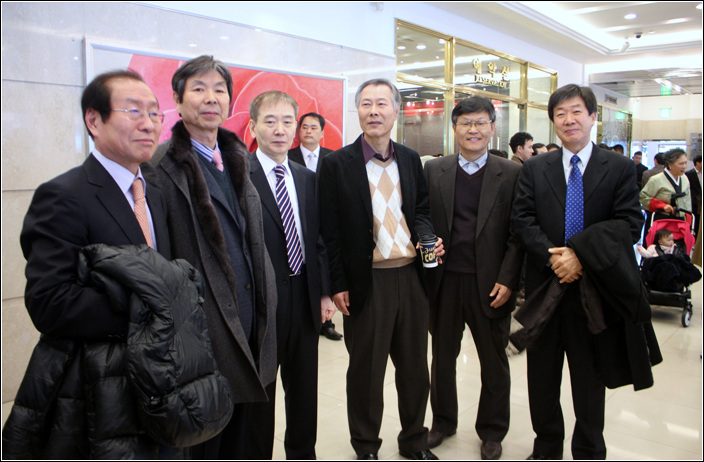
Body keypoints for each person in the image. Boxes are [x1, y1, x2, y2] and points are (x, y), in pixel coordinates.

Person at [15, 70, 176, 458]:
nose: (148, 124)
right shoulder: (64, 195)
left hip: (154, 381)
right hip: (95, 390)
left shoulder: (154, 193)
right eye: (133, 111)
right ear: (93, 120)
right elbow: (50, 302)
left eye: (154, 113)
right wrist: (149, 312)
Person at [143, 55, 278, 460]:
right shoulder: (160, 168)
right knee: (207, 438)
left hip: (251, 322)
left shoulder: (239, 160)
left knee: (246, 437)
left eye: (219, 90)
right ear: (177, 100)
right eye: (199, 89)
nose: (211, 98)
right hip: (204, 335)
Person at [511, 84, 654, 460]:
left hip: (595, 291)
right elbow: (522, 220)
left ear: (593, 116)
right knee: (541, 378)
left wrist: (580, 256)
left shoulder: (619, 168)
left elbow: (629, 223)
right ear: (553, 121)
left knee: (590, 379)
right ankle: (546, 448)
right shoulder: (535, 168)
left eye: (576, 111)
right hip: (545, 289)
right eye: (560, 113)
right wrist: (556, 258)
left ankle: (589, 449)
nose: (568, 119)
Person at [318, 78, 444, 461]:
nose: (374, 111)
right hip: (366, 281)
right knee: (366, 373)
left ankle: (413, 441)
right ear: (357, 110)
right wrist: (336, 283)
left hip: (411, 277)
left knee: (415, 371)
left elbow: (420, 210)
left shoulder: (410, 158)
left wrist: (428, 238)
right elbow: (328, 231)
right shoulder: (337, 164)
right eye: (366, 104)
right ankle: (366, 446)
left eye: (382, 104)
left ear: (396, 110)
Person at [424, 96, 523, 460]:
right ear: (454, 128)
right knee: (442, 358)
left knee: (494, 362)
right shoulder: (435, 170)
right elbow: (422, 217)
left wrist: (509, 279)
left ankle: (493, 431)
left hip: (492, 285)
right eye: (465, 123)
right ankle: (442, 422)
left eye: (481, 123)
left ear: (493, 128)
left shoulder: (511, 173)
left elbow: (518, 234)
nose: (473, 130)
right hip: (445, 282)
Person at [246, 91, 335, 459]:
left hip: (303, 299)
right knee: (260, 395)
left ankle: (302, 453)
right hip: (261, 303)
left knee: (303, 391)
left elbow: (317, 240)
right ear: (253, 127)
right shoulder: (239, 177)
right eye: (270, 121)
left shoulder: (306, 178)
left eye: (287, 122)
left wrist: (325, 292)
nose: (280, 130)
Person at [288, 111, 343, 341]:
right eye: (304, 127)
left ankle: (326, 322)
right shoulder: (287, 156)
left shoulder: (333, 158)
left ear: (322, 132)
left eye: (313, 127)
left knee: (326, 264)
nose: (308, 131)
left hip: (327, 220)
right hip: (298, 220)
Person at [640, 148, 692, 221]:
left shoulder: (685, 178)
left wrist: (688, 220)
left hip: (681, 219)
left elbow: (688, 200)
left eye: (685, 163)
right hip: (662, 219)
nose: (684, 166)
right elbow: (643, 197)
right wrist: (661, 205)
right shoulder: (656, 179)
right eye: (681, 164)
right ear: (670, 164)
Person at [685, 154, 702, 238]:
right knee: (695, 222)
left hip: (701, 202)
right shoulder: (689, 174)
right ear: (698, 163)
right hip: (694, 202)